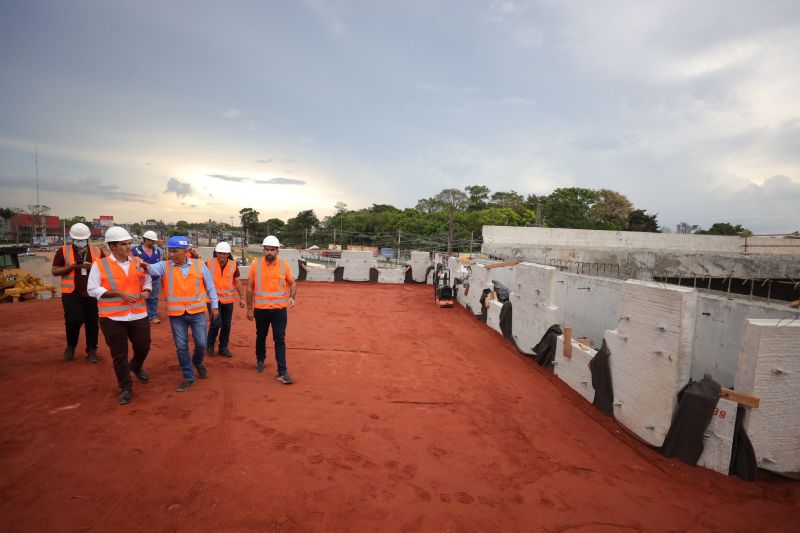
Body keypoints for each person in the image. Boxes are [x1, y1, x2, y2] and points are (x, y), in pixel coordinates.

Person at [87, 226, 152, 405]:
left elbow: (146, 280)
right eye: (123, 244)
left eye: (129, 243)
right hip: (112, 318)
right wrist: (119, 294)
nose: (128, 247)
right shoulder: (99, 265)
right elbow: (92, 289)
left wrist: (146, 289)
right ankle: (126, 387)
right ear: (112, 246)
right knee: (119, 354)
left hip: (138, 314)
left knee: (143, 346)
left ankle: (136, 366)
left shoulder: (138, 261)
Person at [145, 236, 218, 392]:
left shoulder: (199, 265)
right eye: (170, 251)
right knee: (181, 346)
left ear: (186, 251)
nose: (171, 254)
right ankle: (188, 376)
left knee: (201, 343)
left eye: (175, 251)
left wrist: (215, 306)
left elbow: (210, 286)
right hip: (177, 314)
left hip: (197, 312)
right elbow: (151, 268)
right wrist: (140, 264)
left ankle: (197, 362)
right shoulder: (165, 266)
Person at [51, 222, 105, 363]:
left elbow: (106, 270)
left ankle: (92, 350)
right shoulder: (63, 251)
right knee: (73, 321)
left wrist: (93, 267)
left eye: (83, 239)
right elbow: (55, 271)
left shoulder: (97, 251)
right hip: (71, 294)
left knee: (92, 323)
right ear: (72, 239)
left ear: (88, 238)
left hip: (92, 294)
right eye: (77, 239)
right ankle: (71, 346)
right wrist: (71, 267)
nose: (80, 242)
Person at [247, 235, 296, 384]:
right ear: (263, 250)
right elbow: (249, 288)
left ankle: (282, 371)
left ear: (277, 251)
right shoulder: (255, 265)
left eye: (272, 250)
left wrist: (292, 297)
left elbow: (292, 283)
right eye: (267, 249)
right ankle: (260, 359)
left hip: (279, 309)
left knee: (279, 339)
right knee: (261, 335)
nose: (269, 252)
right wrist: (249, 308)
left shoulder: (284, 265)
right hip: (261, 309)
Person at [206, 241, 245, 357]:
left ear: (228, 254)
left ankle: (223, 347)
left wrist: (242, 297)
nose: (222, 256)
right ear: (216, 253)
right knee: (215, 323)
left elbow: (237, 281)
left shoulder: (233, 265)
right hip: (213, 300)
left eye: (224, 254)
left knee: (226, 325)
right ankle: (209, 345)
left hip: (228, 301)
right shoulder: (208, 263)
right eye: (219, 253)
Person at [131, 230, 163, 324]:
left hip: (155, 278)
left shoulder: (157, 251)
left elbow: (160, 263)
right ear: (146, 240)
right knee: (137, 297)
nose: (154, 242)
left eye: (155, 241)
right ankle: (136, 315)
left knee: (153, 298)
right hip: (140, 279)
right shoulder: (135, 251)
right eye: (152, 241)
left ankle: (152, 316)